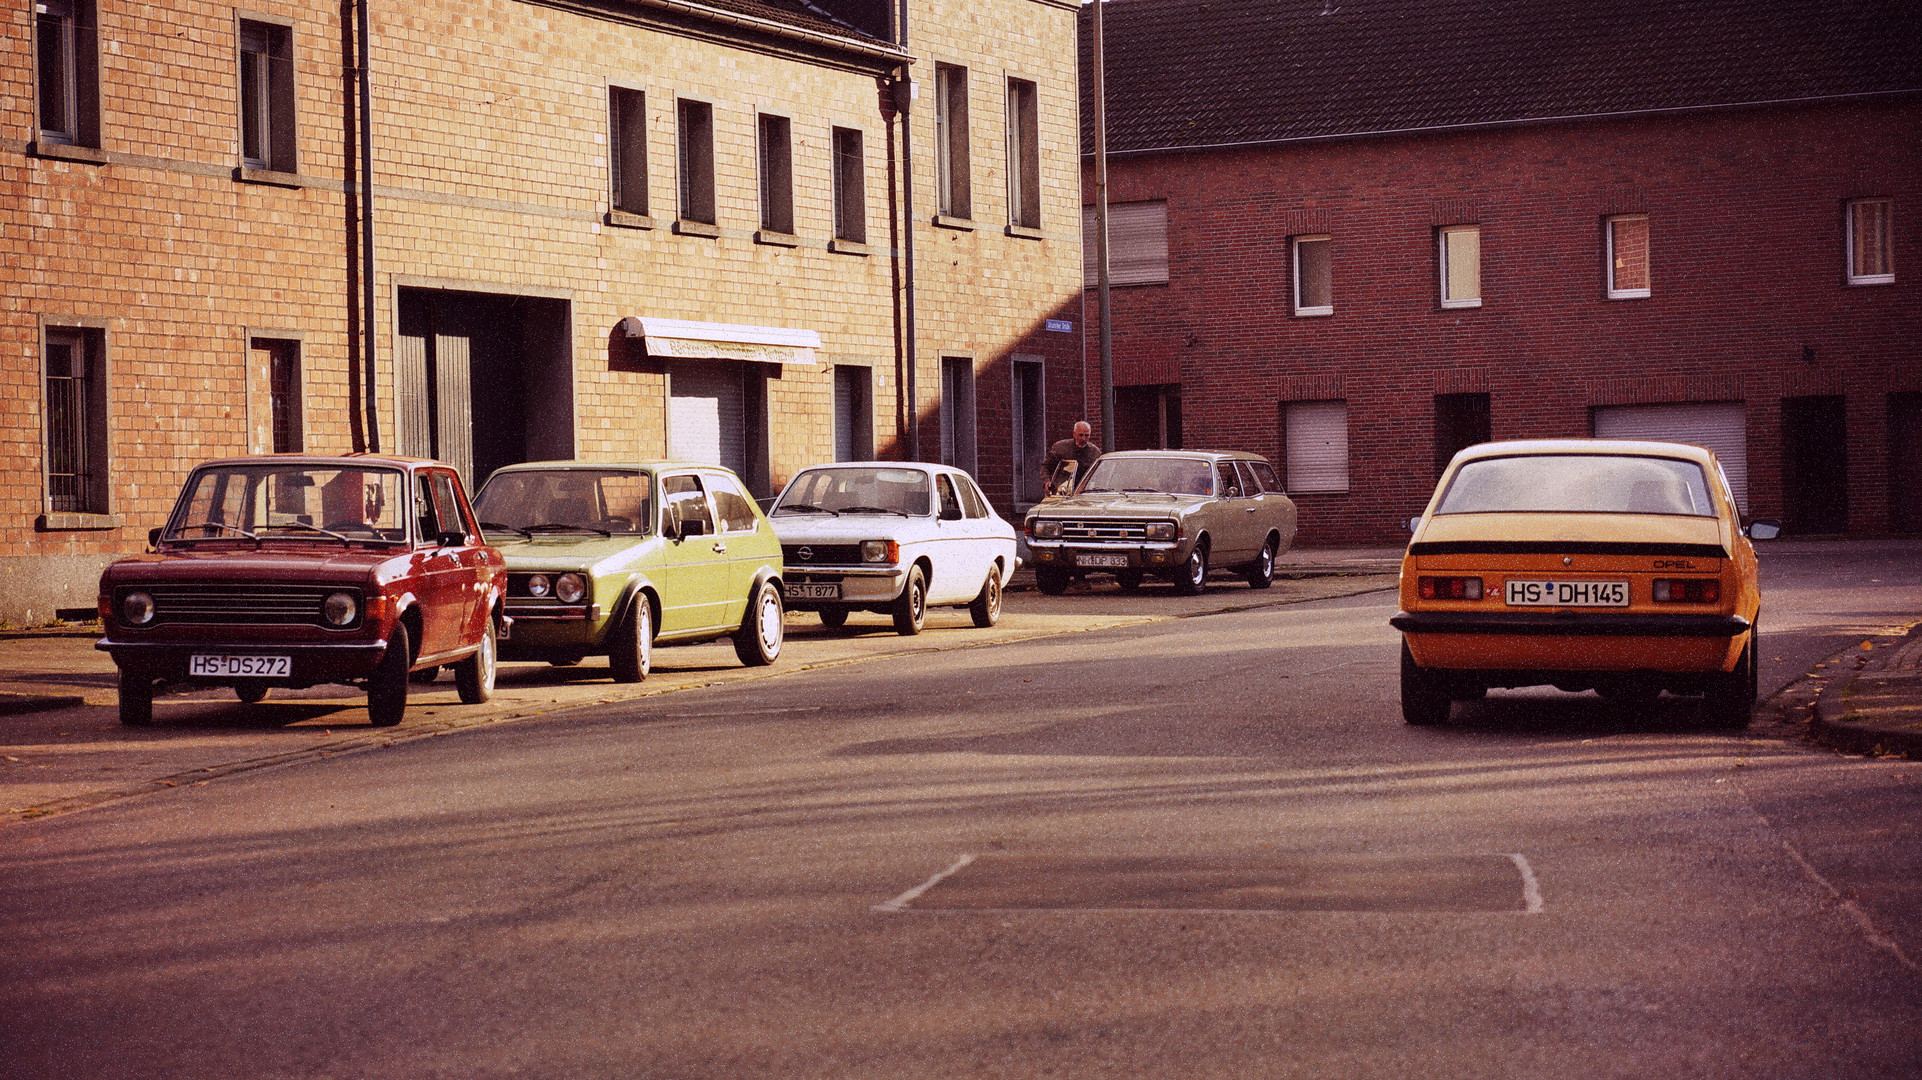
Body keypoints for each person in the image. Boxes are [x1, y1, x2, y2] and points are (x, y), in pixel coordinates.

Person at [1042, 420, 1101, 496]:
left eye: (1087, 435)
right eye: (1080, 435)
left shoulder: (1095, 452)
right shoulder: (1060, 448)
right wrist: (1046, 482)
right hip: (1061, 492)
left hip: (1084, 493)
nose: (1083, 439)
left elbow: (1099, 474)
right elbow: (1045, 466)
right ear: (1074, 434)